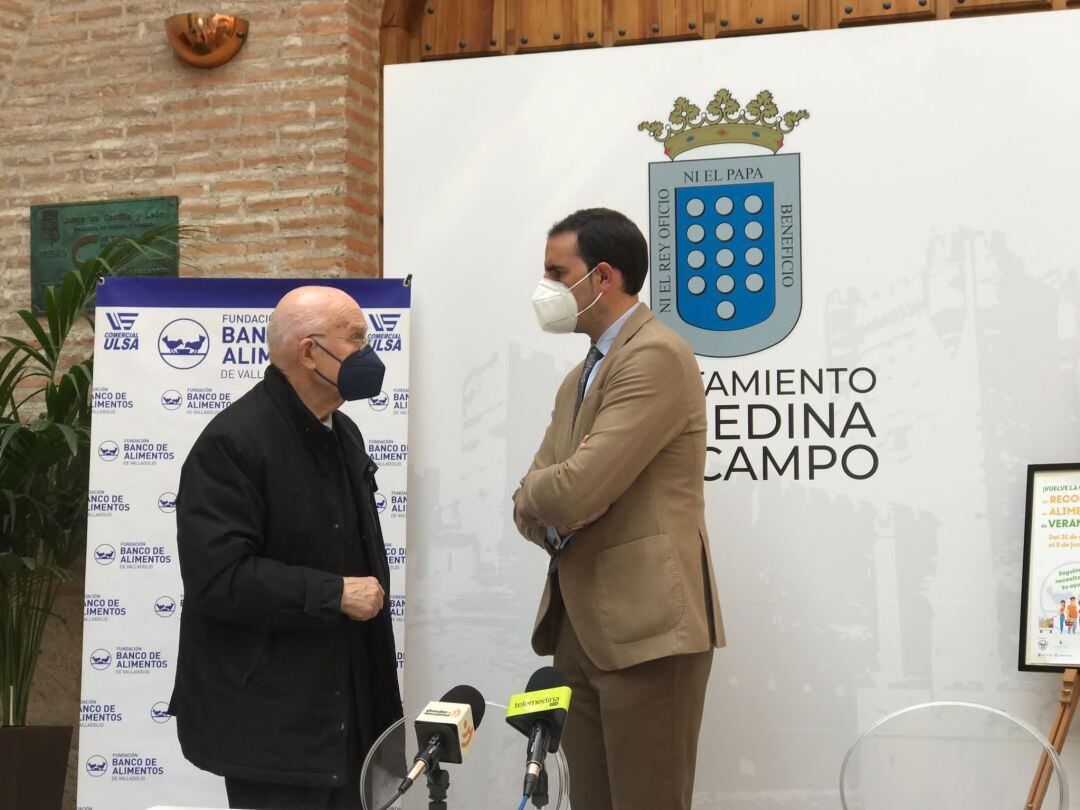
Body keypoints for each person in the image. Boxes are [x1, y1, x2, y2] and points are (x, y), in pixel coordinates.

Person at [512, 208, 725, 810]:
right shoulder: (578, 376)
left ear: (602, 277)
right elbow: (530, 500)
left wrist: (551, 488)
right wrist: (546, 490)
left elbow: (574, 490)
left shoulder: (655, 355)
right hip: (578, 627)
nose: (546, 288)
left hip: (647, 629)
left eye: (558, 272)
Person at [169, 286, 402, 810]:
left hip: (350, 718)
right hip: (274, 728)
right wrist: (333, 593)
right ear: (309, 352)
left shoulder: (345, 434)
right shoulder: (232, 443)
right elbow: (218, 579)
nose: (369, 352)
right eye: (356, 338)